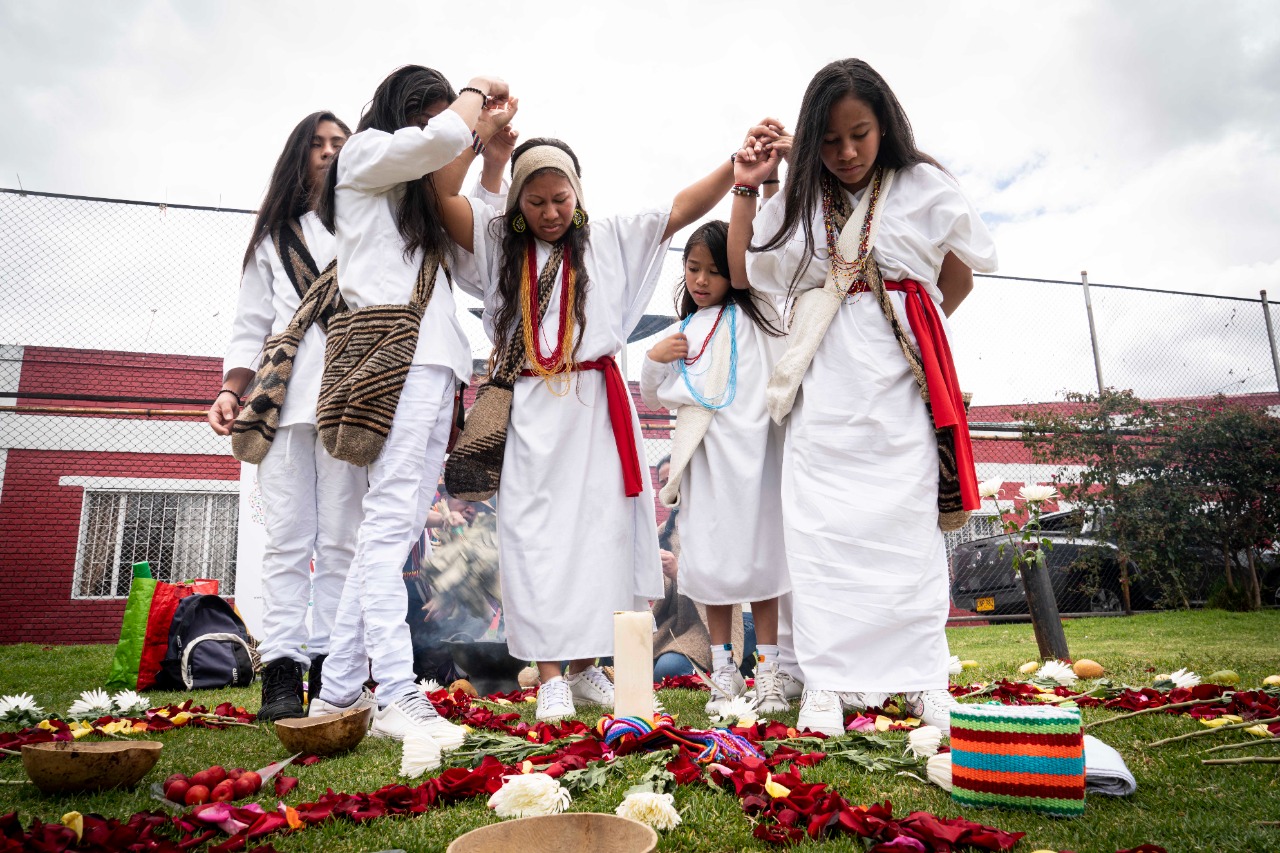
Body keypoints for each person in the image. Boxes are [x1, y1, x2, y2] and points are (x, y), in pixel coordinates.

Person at [438, 126, 772, 721]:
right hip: (534, 411)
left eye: (561, 200)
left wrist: (735, 168)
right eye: (536, 202)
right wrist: (477, 142)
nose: (550, 213)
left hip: (597, 407)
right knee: (539, 540)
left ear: (579, 195)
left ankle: (590, 665)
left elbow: (677, 211)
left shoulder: (608, 239)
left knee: (604, 538)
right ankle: (548, 677)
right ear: (517, 203)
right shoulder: (498, 246)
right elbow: (447, 201)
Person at [729, 59, 996, 735]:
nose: (846, 152)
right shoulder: (797, 200)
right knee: (823, 533)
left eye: (861, 134)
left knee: (906, 529)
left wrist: (907, 324)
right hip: (825, 389)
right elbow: (744, 270)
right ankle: (827, 680)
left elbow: (956, 278)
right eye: (829, 140)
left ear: (886, 127)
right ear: (810, 138)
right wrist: (751, 185)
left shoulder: (922, 183)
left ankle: (921, 676)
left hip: (900, 385)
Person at [305, 65, 513, 746]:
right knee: (387, 528)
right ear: (405, 112)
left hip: (437, 365)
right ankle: (394, 689)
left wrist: (493, 158)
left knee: (389, 530)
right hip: (402, 363)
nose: (443, 127)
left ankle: (339, 689)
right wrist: (476, 96)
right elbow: (446, 135)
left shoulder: (414, 197)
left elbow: (477, 230)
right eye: (429, 113)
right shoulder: (364, 155)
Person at [209, 111, 365, 721]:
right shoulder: (273, 237)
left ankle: (331, 664)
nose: (329, 153)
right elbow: (251, 321)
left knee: (341, 543)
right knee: (287, 539)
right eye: (318, 144)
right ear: (298, 155)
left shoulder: (370, 225)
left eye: (340, 144)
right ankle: (279, 668)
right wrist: (230, 389)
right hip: (281, 401)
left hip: (351, 398)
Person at [641, 219, 791, 713]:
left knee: (763, 563)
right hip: (705, 466)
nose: (701, 280)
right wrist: (652, 358)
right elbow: (652, 393)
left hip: (756, 463)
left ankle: (768, 673)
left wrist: (755, 188)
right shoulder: (682, 331)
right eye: (692, 268)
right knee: (714, 570)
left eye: (713, 271)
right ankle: (725, 671)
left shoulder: (757, 320)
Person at [649, 456, 745, 682]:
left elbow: (725, 584)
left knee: (666, 670)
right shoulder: (663, 531)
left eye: (672, 480)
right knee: (624, 657)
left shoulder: (715, 523)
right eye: (662, 484)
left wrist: (678, 573)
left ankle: (725, 666)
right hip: (671, 624)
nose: (668, 488)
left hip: (707, 626)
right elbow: (659, 593)